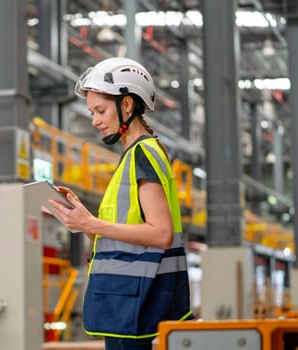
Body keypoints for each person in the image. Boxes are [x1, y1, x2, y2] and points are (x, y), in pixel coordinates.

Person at [49, 57, 194, 350]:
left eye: (100, 110)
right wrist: (85, 221)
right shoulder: (131, 159)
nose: (95, 120)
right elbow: (124, 239)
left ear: (127, 105)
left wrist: (92, 223)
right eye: (91, 112)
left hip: (142, 309)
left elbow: (161, 234)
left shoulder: (144, 155)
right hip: (130, 308)